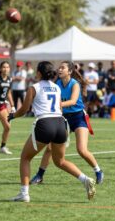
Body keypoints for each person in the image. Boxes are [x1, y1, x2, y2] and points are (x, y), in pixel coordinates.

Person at [8, 61, 96, 202]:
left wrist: (12, 115)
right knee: (60, 161)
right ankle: (85, 179)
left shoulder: (34, 88)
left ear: (39, 73)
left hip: (45, 124)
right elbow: (59, 108)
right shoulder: (57, 87)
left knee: (25, 158)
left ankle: (24, 194)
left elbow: (24, 110)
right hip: (60, 124)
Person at [30, 61, 103, 185]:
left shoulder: (75, 84)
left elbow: (73, 101)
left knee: (82, 150)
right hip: (63, 118)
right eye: (59, 67)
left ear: (69, 71)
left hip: (78, 117)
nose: (59, 69)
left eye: (63, 68)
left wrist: (57, 105)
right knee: (49, 148)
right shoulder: (56, 84)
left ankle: (98, 170)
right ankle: (40, 175)